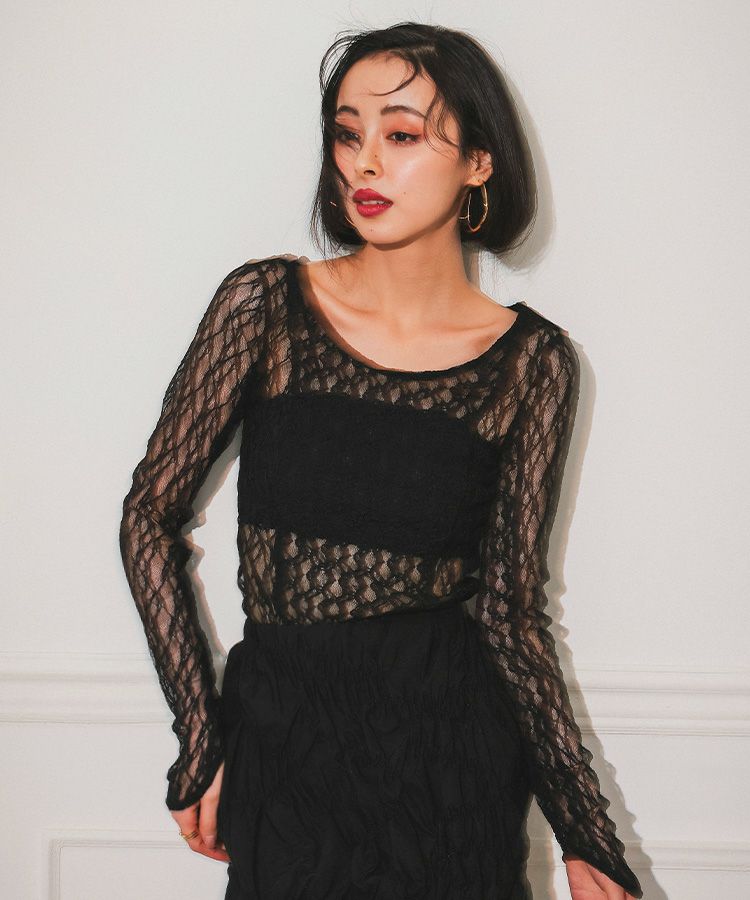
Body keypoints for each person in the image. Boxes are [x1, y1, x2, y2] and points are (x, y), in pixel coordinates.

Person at [119, 21, 643, 900]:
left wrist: (585, 834)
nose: (364, 162)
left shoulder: (533, 363)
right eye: (346, 133)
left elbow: (511, 612)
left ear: (479, 162)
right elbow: (149, 517)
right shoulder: (264, 307)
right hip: (287, 740)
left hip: (453, 758)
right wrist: (200, 737)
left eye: (401, 136)